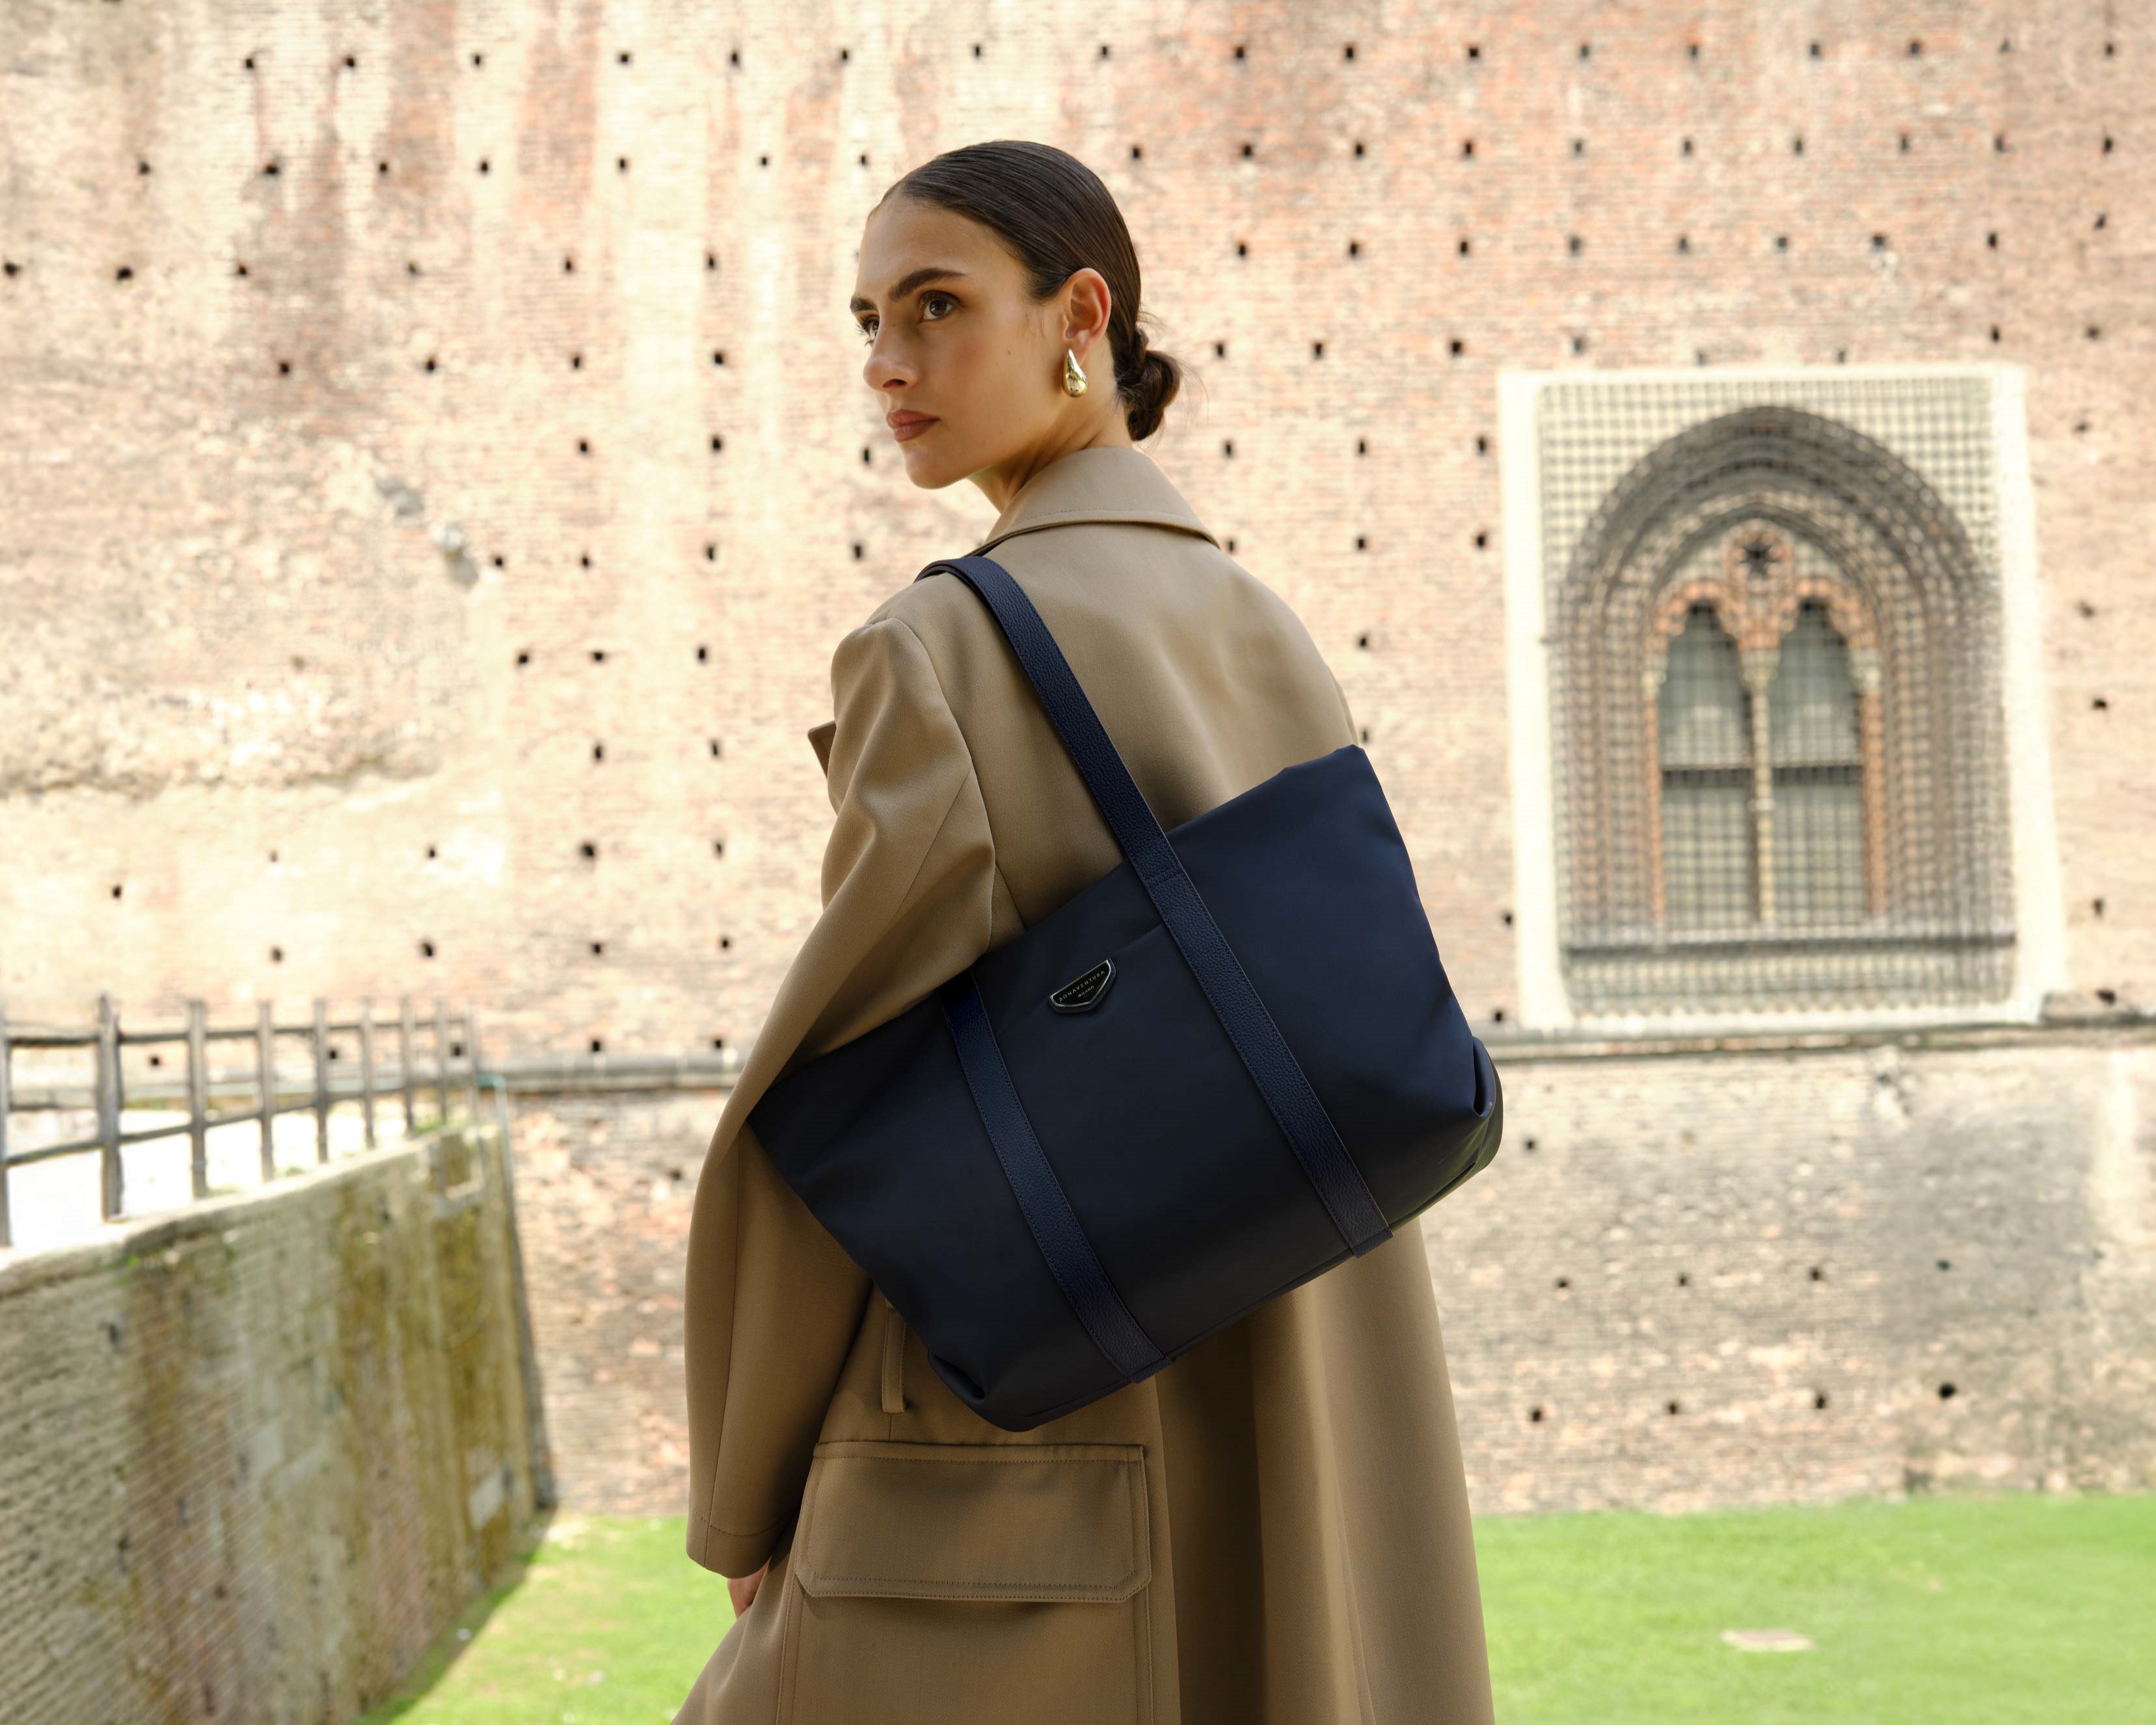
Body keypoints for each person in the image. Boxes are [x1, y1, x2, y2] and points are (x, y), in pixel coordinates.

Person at [674, 139, 1494, 1725]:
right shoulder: (1261, 622)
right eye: (869, 320)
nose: (887, 363)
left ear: (1081, 315)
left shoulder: (937, 649)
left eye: (936, 305)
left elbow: (827, 1113)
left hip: (1030, 1419)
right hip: (1307, 1372)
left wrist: (748, 1484)